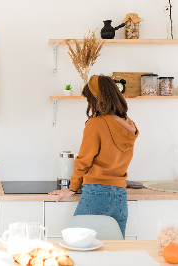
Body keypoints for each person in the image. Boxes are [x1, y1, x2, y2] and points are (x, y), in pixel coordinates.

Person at [49, 75, 139, 238]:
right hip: (120, 196)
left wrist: (72, 188)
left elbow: (83, 161)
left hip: (97, 194)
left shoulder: (96, 124)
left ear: (97, 99)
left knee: (76, 244)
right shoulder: (129, 124)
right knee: (115, 251)